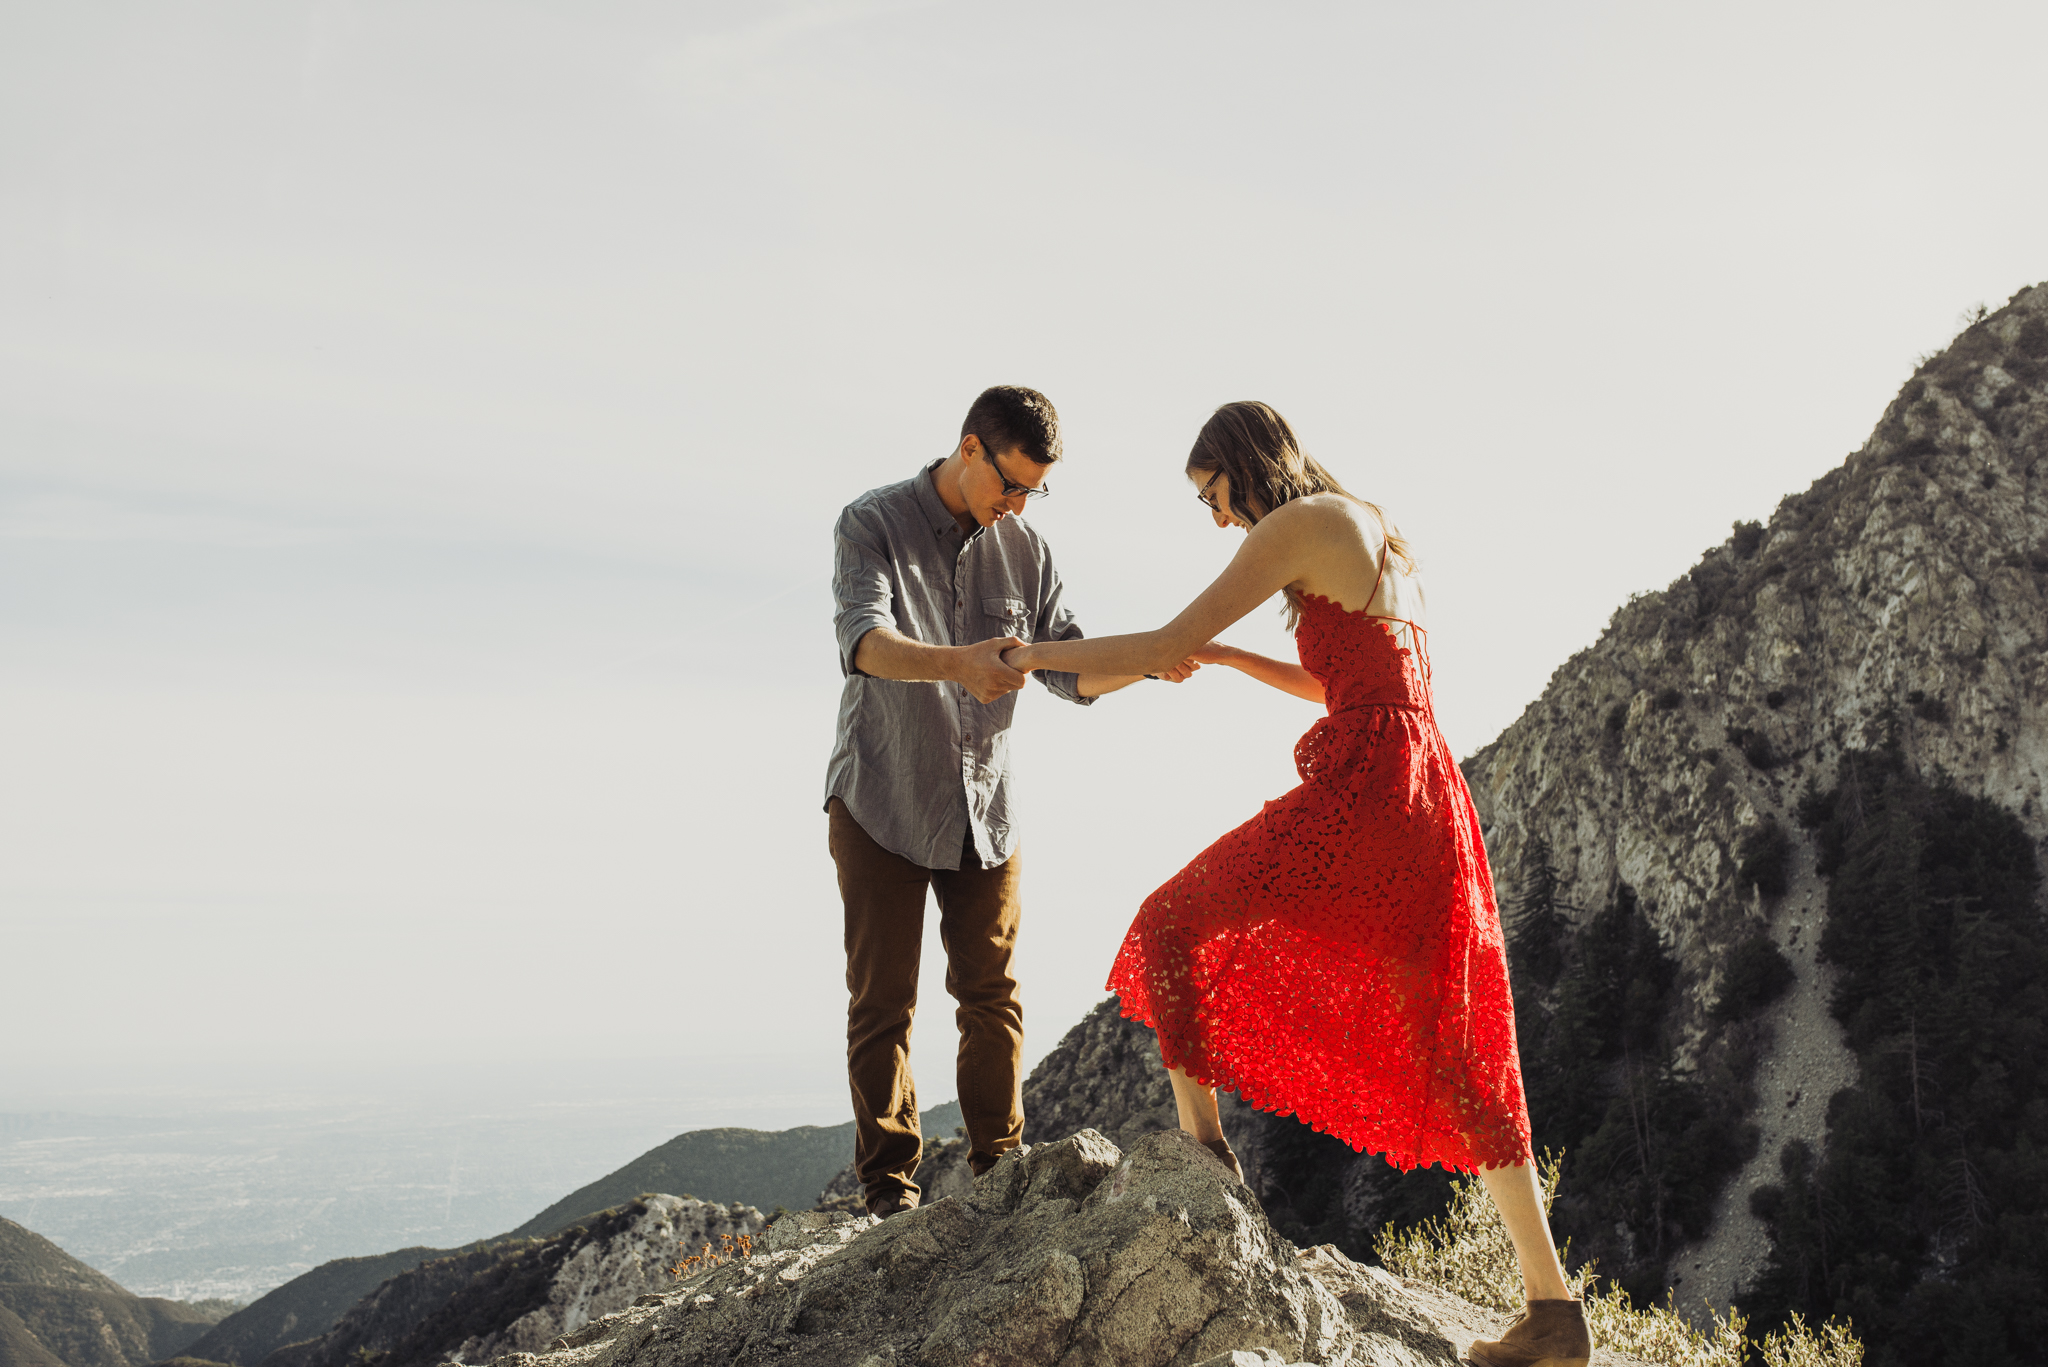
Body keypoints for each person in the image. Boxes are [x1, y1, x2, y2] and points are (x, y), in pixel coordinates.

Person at [1001, 401, 1590, 1367]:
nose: (1220, 520)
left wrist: (1029, 658)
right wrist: (1233, 656)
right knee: (1462, 1043)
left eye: (1214, 495)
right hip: (1428, 795)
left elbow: (1156, 644)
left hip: (1367, 789)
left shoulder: (1297, 524)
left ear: (1245, 464)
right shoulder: (1370, 529)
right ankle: (1553, 1308)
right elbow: (1356, 682)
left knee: (1169, 921)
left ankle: (1207, 1154)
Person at [825, 385, 1188, 1219]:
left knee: (992, 996)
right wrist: (960, 662)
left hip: (984, 807)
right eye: (1010, 485)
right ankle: (891, 1197)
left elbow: (1067, 666)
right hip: (880, 791)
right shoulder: (870, 523)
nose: (1019, 505)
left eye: (1034, 492)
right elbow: (863, 642)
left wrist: (1150, 660)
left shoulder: (1027, 548)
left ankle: (1004, 1173)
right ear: (970, 449)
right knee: (884, 1004)